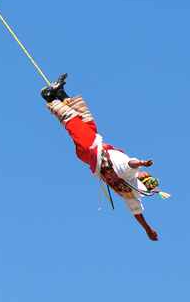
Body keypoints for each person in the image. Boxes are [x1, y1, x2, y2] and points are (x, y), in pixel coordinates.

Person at [41, 74, 169, 241]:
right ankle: (60, 92)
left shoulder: (129, 173)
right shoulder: (129, 192)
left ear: (143, 178)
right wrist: (147, 228)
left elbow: (131, 164)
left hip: (91, 149)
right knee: (87, 121)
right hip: (93, 150)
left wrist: (141, 163)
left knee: (72, 121)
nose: (146, 173)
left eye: (147, 175)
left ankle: (49, 97)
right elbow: (137, 212)